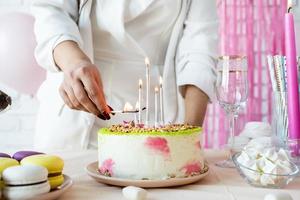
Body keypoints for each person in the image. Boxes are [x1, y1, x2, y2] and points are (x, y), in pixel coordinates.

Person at [31, 0, 218, 150]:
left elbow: (199, 47)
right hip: (75, 116)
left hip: (157, 121)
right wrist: (74, 62)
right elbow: (52, 12)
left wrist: (188, 141)